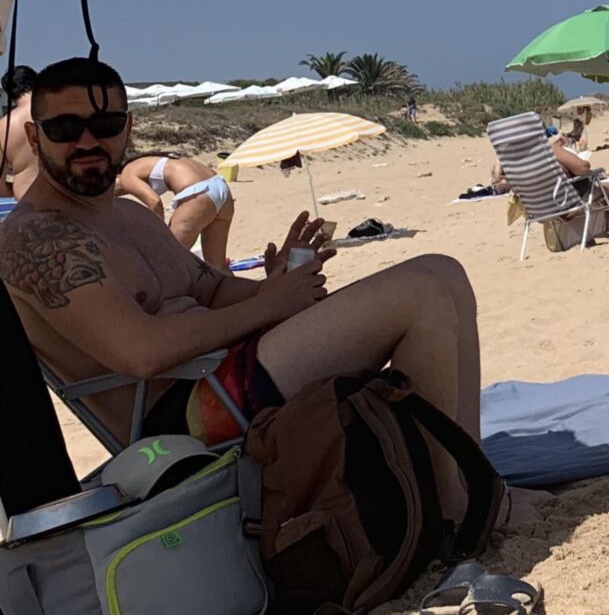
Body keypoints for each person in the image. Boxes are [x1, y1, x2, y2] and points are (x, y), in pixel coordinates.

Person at [0, 57, 487, 457]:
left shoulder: (132, 216)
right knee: (419, 291)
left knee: (444, 274)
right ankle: (459, 510)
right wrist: (268, 306)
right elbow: (141, 352)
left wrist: (274, 284)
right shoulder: (35, 240)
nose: (87, 141)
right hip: (180, 420)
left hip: (227, 369)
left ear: (126, 129)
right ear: (37, 137)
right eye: (66, 128)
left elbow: (209, 288)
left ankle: (473, 479)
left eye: (102, 124)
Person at [490, 139, 609, 249]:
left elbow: (499, 183)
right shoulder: (546, 148)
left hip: (538, 210)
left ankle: (587, 241)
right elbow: (583, 168)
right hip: (566, 204)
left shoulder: (510, 161)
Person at [118, 153, 236, 270]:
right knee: (218, 267)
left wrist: (158, 234)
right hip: (220, 187)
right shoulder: (149, 161)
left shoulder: (126, 174)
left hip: (199, 194)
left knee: (167, 263)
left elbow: (154, 202)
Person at [1, 65, 39, 201]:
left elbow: (0, 185)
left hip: (25, 198)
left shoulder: (3, 126)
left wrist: (19, 187)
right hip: (66, 199)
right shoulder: (58, 112)